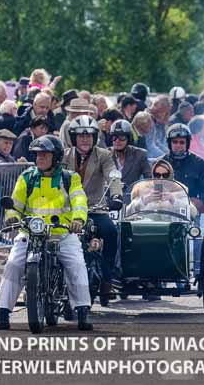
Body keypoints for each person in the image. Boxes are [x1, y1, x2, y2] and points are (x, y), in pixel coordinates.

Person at [0, 135, 92, 331]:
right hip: (30, 232)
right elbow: (14, 203)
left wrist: (78, 220)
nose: (39, 159)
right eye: (37, 155)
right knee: (13, 265)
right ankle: (2, 313)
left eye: (44, 155)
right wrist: (11, 215)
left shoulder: (70, 178)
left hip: (62, 233)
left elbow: (80, 201)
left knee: (77, 264)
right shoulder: (27, 176)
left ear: (57, 156)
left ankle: (82, 311)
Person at [62, 116, 124, 306]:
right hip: (68, 211)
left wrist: (116, 196)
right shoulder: (63, 156)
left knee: (111, 232)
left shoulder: (104, 155)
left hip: (96, 209)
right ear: (73, 137)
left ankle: (106, 279)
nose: (85, 139)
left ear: (95, 136)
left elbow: (113, 176)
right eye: (80, 135)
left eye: (89, 135)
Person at [161, 124, 204, 217]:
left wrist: (199, 202)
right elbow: (151, 187)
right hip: (165, 210)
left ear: (187, 143)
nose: (178, 145)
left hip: (189, 210)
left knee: (196, 231)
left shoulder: (199, 163)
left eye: (182, 142)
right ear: (169, 143)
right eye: (175, 142)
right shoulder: (161, 163)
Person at [109, 120, 151, 195]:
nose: (117, 141)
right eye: (114, 137)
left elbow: (150, 179)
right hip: (108, 199)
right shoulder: (105, 155)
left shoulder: (140, 154)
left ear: (129, 139)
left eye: (122, 137)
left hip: (131, 199)